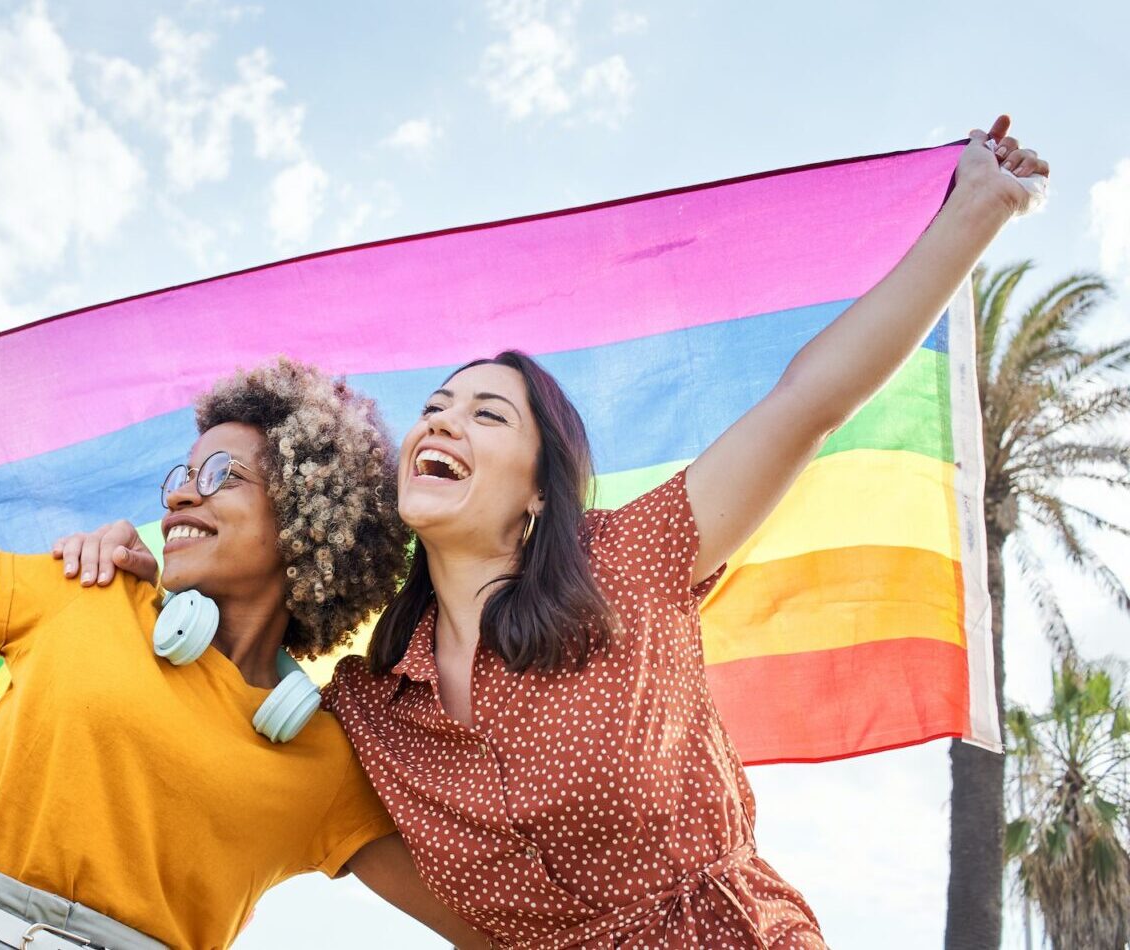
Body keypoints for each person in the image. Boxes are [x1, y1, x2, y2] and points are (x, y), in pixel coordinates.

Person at [57, 119, 1048, 947]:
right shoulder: (362, 709)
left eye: (486, 413)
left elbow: (807, 400)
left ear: (537, 495)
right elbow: (211, 698)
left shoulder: (633, 557)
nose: (440, 420)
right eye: (436, 406)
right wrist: (149, 573)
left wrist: (974, 212)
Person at [0, 358, 484, 949]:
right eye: (180, 473)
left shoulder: (325, 760)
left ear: (307, 515)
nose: (178, 494)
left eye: (219, 475)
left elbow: (489, 922)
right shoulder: (87, 592)